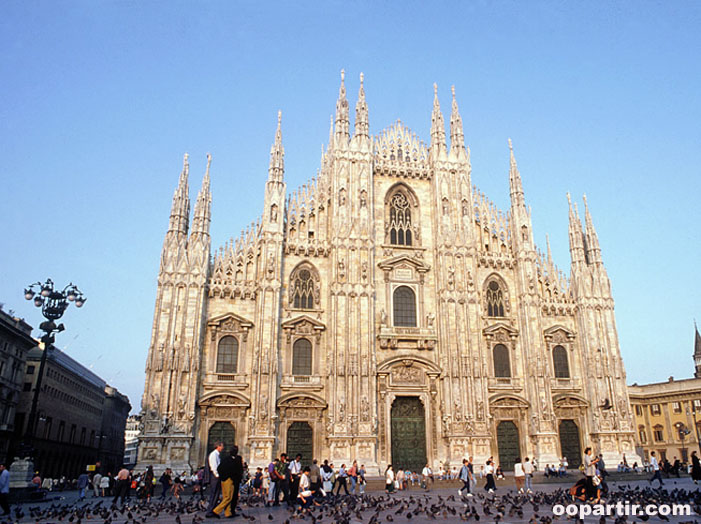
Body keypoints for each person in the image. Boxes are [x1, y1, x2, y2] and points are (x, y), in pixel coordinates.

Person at [213, 446, 238, 518]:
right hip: (229, 480)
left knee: (225, 497)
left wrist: (222, 476)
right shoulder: (232, 461)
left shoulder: (225, 459)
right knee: (229, 497)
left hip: (223, 480)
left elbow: (219, 468)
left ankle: (227, 513)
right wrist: (229, 477)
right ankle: (216, 510)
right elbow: (233, 472)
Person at [205, 442, 224, 516]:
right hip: (215, 476)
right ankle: (210, 511)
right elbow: (214, 466)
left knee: (216, 494)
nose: (223, 448)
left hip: (216, 476)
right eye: (222, 446)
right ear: (218, 446)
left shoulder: (216, 454)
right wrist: (217, 475)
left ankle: (213, 510)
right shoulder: (214, 455)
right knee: (214, 493)